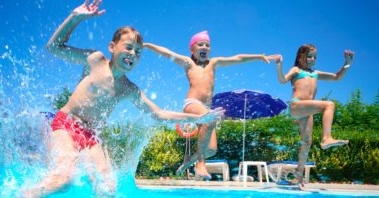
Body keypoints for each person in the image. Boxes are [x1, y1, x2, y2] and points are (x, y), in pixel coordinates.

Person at [24, 0, 224, 198]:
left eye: (138, 52)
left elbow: (159, 114)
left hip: (91, 137)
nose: (132, 54)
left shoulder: (129, 89)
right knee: (63, 180)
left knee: (107, 189)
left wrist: (198, 119)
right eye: (128, 47)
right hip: (67, 124)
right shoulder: (95, 60)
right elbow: (54, 47)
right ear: (112, 46)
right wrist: (75, 18)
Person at [143, 31, 277, 180]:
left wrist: (259, 56)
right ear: (192, 49)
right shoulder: (188, 63)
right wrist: (148, 46)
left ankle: (189, 161)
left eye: (207, 45)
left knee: (212, 149)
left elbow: (237, 58)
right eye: (200, 44)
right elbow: (167, 53)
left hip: (206, 109)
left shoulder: (213, 63)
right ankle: (200, 164)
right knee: (211, 119)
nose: (204, 47)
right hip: (192, 104)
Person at [274, 44, 354, 186]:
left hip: (307, 111)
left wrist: (347, 64)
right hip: (297, 104)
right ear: (300, 57)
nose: (312, 59)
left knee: (306, 142)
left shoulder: (315, 73)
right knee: (329, 105)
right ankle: (326, 138)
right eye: (309, 56)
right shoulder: (296, 70)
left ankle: (298, 174)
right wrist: (279, 66)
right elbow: (282, 80)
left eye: (314, 57)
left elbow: (336, 77)